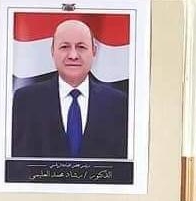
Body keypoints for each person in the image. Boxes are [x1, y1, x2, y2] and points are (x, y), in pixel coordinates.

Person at [10, 19, 128, 159]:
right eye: (65, 47)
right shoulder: (26, 100)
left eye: (81, 47)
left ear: (94, 51)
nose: (73, 55)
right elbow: (19, 162)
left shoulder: (119, 103)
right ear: (52, 51)